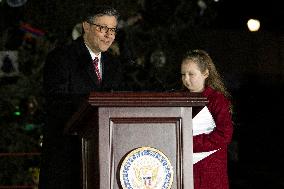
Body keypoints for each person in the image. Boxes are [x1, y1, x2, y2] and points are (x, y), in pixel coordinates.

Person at [39, 5, 124, 188]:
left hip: (104, 159)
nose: (108, 35)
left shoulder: (115, 65)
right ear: (86, 26)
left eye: (113, 30)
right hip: (67, 158)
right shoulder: (61, 57)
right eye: (103, 28)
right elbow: (56, 102)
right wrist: (95, 105)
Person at [180, 49, 233, 189]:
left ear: (205, 73)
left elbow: (225, 135)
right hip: (184, 167)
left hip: (209, 169)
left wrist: (188, 143)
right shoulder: (178, 99)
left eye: (191, 74)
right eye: (183, 74)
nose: (186, 79)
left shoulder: (217, 100)